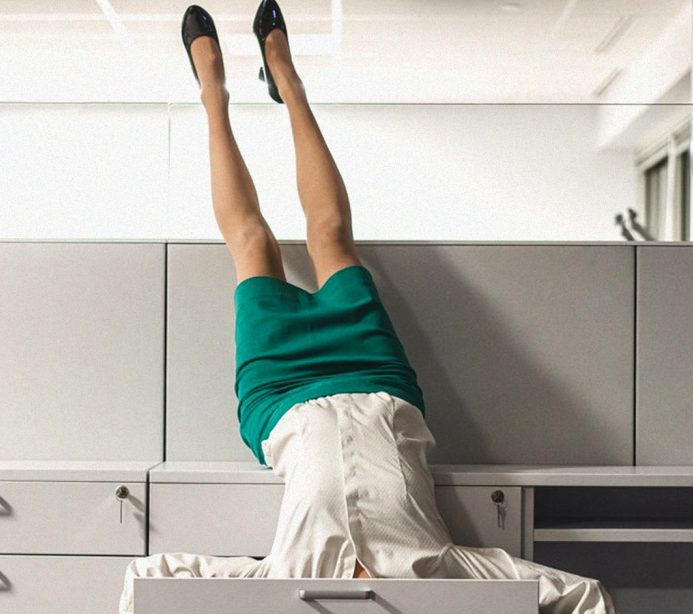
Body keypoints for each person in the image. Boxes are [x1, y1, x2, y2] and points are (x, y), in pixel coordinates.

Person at [119, 2, 618, 612]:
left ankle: (212, 95)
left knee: (251, 244)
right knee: (330, 234)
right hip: (378, 380)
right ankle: (288, 81)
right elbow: (582, 595)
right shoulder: (442, 576)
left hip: (281, 391)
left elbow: (154, 574)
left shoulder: (285, 582)